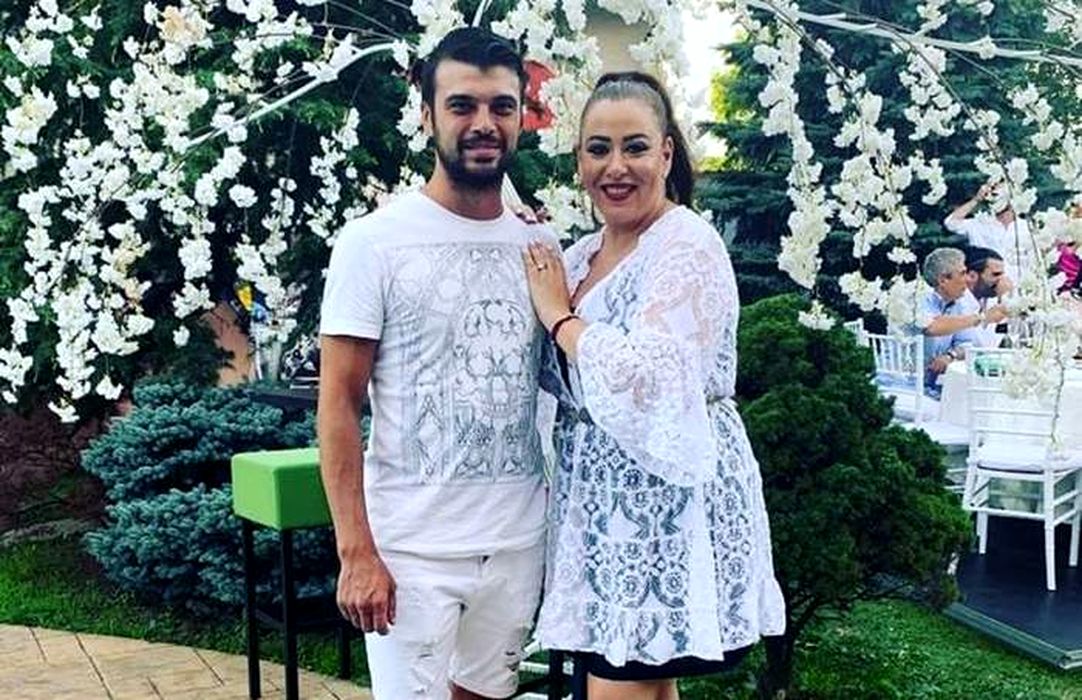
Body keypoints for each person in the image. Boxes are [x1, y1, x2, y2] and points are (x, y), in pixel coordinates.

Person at [520, 71, 785, 700]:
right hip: (600, 506)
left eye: (634, 147)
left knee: (623, 684)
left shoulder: (685, 244)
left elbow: (648, 377)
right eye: (598, 149)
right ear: (579, 160)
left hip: (661, 507)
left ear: (666, 154)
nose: (616, 167)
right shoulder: (582, 256)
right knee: (640, 685)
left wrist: (561, 318)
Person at [317, 27, 551, 700]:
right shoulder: (372, 244)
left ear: (521, 117)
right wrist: (356, 551)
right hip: (411, 552)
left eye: (501, 106)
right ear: (427, 116)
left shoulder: (541, 244)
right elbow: (339, 404)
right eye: (462, 105)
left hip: (517, 542)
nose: (484, 123)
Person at [917, 247, 1009, 396]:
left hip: (937, 385)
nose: (967, 279)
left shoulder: (957, 303)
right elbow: (931, 327)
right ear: (943, 280)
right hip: (905, 385)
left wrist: (950, 355)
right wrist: (982, 317)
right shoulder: (918, 297)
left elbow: (967, 343)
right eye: (962, 273)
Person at [944, 182, 1033, 281]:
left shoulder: (1027, 227)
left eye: (998, 195)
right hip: (985, 285)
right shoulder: (980, 223)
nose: (995, 199)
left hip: (1019, 283)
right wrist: (976, 200)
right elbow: (950, 223)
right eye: (993, 195)